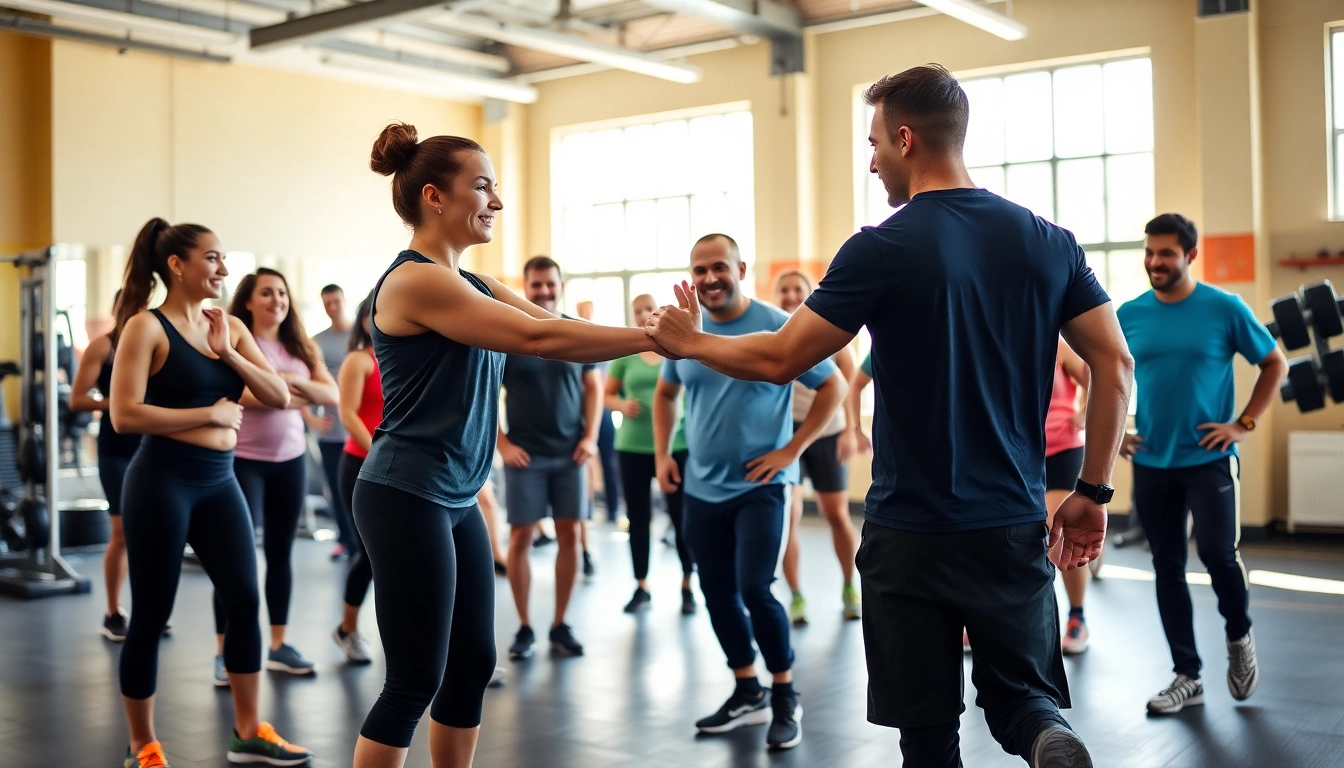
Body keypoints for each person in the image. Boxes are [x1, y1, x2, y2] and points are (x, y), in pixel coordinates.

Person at [646, 65, 1134, 768]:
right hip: (1009, 524)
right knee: (1024, 700)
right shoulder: (1046, 239)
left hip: (911, 532)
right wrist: (1090, 493)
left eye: (873, 144)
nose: (871, 162)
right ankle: (1046, 741)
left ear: (905, 139)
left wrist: (692, 342)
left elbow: (785, 357)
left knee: (928, 731)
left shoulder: (880, 245)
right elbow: (1116, 367)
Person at [351, 122, 660, 768]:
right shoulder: (416, 282)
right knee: (414, 678)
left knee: (471, 663)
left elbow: (555, 324)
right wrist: (652, 340)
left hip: (455, 494)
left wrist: (650, 334)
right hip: (403, 493)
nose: (495, 201)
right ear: (435, 197)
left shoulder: (478, 283)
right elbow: (540, 343)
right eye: (483, 187)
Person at [110, 218, 312, 767]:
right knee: (152, 612)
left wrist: (229, 352)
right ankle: (141, 746)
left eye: (225, 259)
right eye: (213, 259)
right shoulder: (145, 329)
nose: (225, 269)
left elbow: (276, 393)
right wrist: (210, 411)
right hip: (162, 482)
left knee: (246, 599)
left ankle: (247, 731)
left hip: (219, 481)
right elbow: (124, 415)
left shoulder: (229, 327)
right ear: (177, 265)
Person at [655, 233, 847, 752]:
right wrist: (662, 453)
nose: (710, 278)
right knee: (716, 590)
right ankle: (747, 689)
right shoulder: (684, 331)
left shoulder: (777, 324)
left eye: (719, 266)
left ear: (741, 267)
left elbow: (835, 386)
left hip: (764, 485)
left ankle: (784, 693)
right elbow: (666, 392)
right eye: (700, 270)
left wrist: (793, 450)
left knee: (756, 587)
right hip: (701, 486)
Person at [1117, 213, 1286, 716]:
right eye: (1149, 252)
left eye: (1166, 253)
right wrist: (1113, 433)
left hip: (1209, 459)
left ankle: (1239, 634)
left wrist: (1244, 424)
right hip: (1151, 461)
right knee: (1166, 566)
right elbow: (1096, 370)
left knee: (1216, 553)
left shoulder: (1223, 308)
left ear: (1190, 256)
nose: (1154, 262)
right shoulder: (1130, 313)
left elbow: (1274, 363)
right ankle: (1186, 675)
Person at [212, 267, 339, 683]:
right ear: (249, 300)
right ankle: (222, 651)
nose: (276, 300)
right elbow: (241, 396)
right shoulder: (234, 341)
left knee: (281, 554)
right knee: (234, 556)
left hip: (290, 460)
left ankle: (279, 645)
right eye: (267, 293)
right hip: (243, 460)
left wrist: (279, 383)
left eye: (282, 293)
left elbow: (330, 394)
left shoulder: (298, 346)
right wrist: (291, 389)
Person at [498, 256, 602, 660]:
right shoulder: (510, 334)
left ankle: (560, 624)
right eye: (536, 284)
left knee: (569, 535)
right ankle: (525, 627)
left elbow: (592, 386)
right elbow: (485, 394)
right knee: (522, 537)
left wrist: (591, 437)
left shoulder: (577, 332)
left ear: (561, 285)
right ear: (525, 286)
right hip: (525, 456)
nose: (543, 291)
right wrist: (502, 444)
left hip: (570, 455)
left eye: (550, 284)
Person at [773, 270, 861, 625]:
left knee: (836, 515)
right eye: (785, 289)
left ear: (811, 294)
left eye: (799, 289)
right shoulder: (772, 331)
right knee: (789, 517)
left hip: (828, 431)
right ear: (776, 295)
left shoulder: (833, 331)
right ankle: (795, 596)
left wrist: (850, 431)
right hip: (787, 435)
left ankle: (848, 587)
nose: (792, 295)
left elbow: (851, 382)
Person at [605, 293, 695, 615]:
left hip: (677, 445)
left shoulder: (678, 350)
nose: (644, 314)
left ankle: (688, 583)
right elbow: (607, 396)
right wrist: (621, 405)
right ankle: (641, 585)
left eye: (649, 309)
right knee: (638, 517)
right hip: (631, 446)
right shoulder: (626, 355)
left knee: (681, 515)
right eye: (638, 311)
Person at [70, 291, 144, 641]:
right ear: (119, 309)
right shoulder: (104, 347)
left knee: (154, 533)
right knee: (122, 533)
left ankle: (149, 610)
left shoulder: (153, 345)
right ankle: (113, 612)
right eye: (131, 306)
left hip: (151, 447)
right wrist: (116, 402)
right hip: (116, 450)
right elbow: (77, 398)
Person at [332, 294, 379, 665]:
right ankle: (348, 629)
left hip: (398, 467)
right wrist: (380, 452)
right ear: (365, 320)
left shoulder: (402, 360)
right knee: (369, 554)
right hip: (360, 464)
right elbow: (347, 415)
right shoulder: (358, 361)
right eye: (374, 312)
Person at [1047, 338, 1093, 655]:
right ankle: (982, 620)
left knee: (1059, 537)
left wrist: (1086, 411)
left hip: (1061, 448)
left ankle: (1077, 617)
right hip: (1013, 452)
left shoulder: (1057, 344)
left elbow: (1098, 375)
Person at [309, 283, 356, 561]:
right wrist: (311, 420)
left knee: (359, 491)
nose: (332, 307)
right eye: (327, 302)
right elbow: (306, 385)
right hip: (331, 432)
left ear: (344, 300)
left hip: (359, 430)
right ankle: (344, 539)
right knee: (336, 490)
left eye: (336, 301)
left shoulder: (362, 336)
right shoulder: (317, 341)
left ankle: (364, 543)